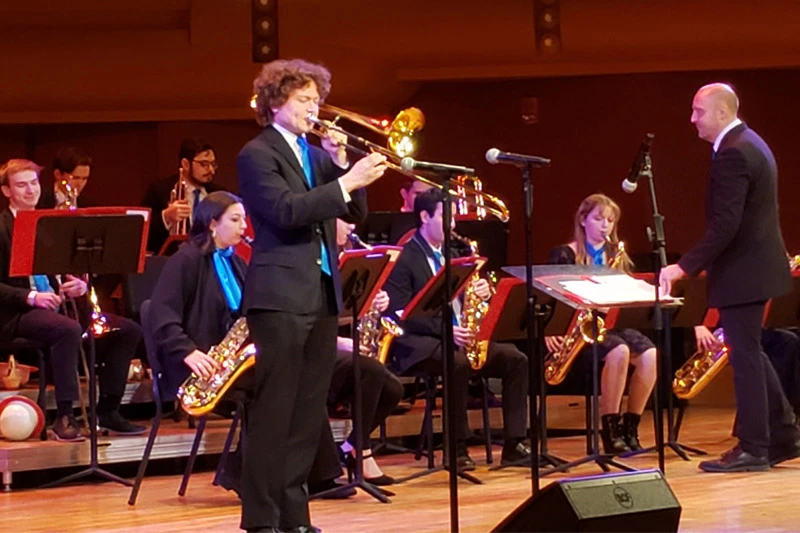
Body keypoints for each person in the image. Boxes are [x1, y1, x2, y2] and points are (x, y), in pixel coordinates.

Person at [237, 58, 387, 533]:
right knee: (274, 411)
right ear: (276, 103)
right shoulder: (256, 154)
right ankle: (262, 520)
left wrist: (343, 167)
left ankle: (295, 516)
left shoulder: (315, 154)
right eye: (304, 99)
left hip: (321, 294)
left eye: (316, 99)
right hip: (279, 295)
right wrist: (344, 180)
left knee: (306, 415)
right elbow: (284, 211)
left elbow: (354, 211)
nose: (314, 108)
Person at [660, 83, 800, 472]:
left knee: (747, 357)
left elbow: (726, 225)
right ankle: (784, 434)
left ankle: (754, 447)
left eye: (697, 111)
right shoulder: (752, 142)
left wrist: (682, 266)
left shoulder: (733, 153)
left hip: (745, 271)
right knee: (752, 352)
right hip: (757, 268)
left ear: (721, 113)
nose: (692, 119)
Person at [384, 187, 531, 469]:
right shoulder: (404, 258)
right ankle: (456, 447)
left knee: (516, 359)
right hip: (418, 343)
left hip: (458, 337)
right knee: (457, 363)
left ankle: (514, 443)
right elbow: (401, 313)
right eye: (446, 217)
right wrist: (447, 332)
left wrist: (481, 291)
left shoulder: (454, 256)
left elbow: (466, 301)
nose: (452, 225)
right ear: (425, 216)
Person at [0, 159, 145, 441]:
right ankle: (65, 415)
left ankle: (109, 411)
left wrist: (77, 284)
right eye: (21, 185)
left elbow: (64, 269)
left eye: (33, 183)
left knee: (128, 330)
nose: (30, 190)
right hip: (15, 312)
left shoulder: (51, 225)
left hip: (59, 306)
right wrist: (30, 296)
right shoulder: (1, 228)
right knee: (66, 329)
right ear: (7, 191)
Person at [547, 193, 658, 455]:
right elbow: (551, 296)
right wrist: (551, 330)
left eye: (610, 220)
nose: (605, 225)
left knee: (650, 355)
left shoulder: (615, 255)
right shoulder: (565, 254)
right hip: (580, 328)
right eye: (598, 219)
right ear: (583, 220)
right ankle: (610, 429)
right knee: (619, 351)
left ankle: (630, 428)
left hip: (611, 323)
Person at [332, 219, 403, 485]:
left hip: (348, 344)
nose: (351, 227)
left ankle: (350, 447)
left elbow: (354, 307)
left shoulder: (354, 256)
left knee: (394, 389)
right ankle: (363, 452)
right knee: (371, 371)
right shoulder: (317, 257)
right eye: (344, 220)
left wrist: (378, 299)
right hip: (320, 348)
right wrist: (339, 342)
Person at [141, 138, 226, 254]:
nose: (211, 170)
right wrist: (166, 217)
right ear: (185, 164)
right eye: (204, 164)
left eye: (213, 164)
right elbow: (142, 233)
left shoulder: (220, 194)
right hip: (170, 261)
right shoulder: (158, 191)